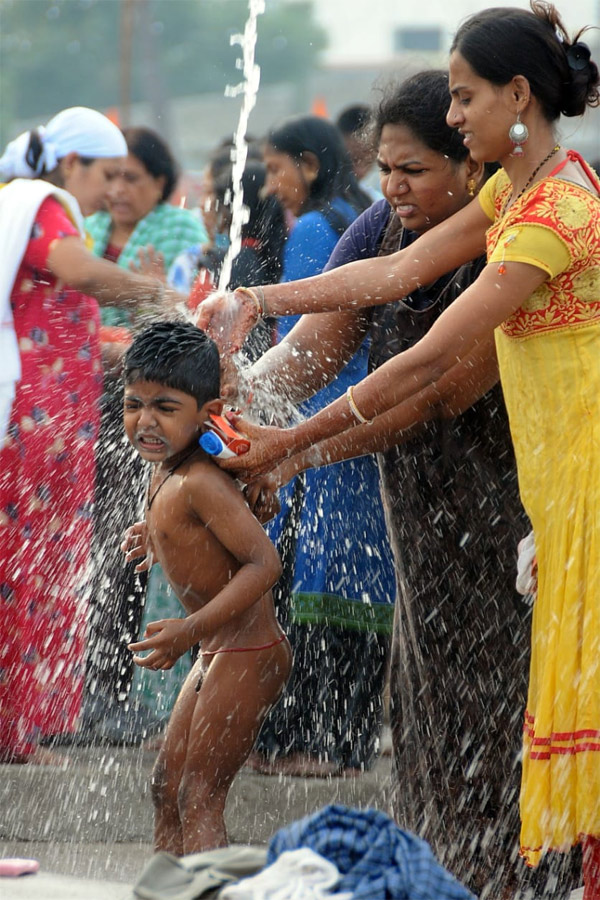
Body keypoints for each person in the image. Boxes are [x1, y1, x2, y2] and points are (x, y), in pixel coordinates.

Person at [198, 4, 600, 896]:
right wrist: (256, 305)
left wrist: (294, 445)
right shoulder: (513, 192)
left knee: (557, 707)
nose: (455, 116)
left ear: (518, 96)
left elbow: (429, 369)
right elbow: (387, 278)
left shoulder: (559, 208)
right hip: (531, 492)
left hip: (571, 489)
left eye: (464, 99)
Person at [0, 107, 180, 765]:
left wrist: (149, 343)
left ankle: (13, 733)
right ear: (70, 164)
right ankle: (13, 736)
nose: (112, 189)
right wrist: (150, 294)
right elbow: (77, 275)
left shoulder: (38, 215)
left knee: (33, 573)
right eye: (106, 173)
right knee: (26, 572)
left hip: (48, 429)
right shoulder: (40, 206)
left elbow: (63, 330)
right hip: (29, 430)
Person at [245, 114, 395, 777]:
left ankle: (317, 744)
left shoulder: (314, 228)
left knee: (318, 580)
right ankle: (348, 743)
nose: (271, 185)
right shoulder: (361, 212)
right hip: (375, 415)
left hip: (321, 426)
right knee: (365, 583)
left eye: (277, 168)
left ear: (307, 164)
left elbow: (302, 344)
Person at [121, 320, 291, 853]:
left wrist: (186, 631)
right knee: (165, 787)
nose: (145, 422)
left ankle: (205, 888)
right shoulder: (166, 464)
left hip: (249, 651)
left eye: (165, 408)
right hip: (217, 649)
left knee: (199, 794)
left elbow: (265, 564)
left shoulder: (203, 480)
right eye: (133, 405)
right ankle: (166, 887)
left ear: (208, 412)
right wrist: (154, 534)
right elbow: (188, 526)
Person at [83, 127, 208, 744]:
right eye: (110, 176)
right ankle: (82, 689)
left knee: (131, 542)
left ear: (161, 182)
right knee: (88, 546)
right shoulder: (88, 232)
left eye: (132, 176)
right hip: (93, 406)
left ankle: (118, 687)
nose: (118, 188)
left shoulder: (177, 231)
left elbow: (177, 320)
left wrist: (134, 317)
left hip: (148, 411)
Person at [336, 103, 381, 200]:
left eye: (369, 162)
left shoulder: (375, 202)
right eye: (353, 160)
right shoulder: (313, 201)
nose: (360, 171)